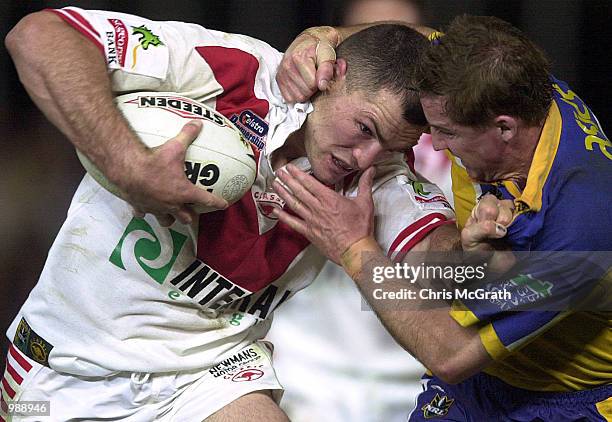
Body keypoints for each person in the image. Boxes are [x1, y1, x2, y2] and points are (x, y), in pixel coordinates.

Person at [2, 7, 457, 421]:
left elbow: (460, 276)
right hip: (68, 371)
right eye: (364, 129)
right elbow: (38, 34)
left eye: (391, 147)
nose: (364, 157)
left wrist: (502, 225)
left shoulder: (380, 176)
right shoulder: (237, 70)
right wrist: (127, 164)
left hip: (211, 372)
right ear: (333, 73)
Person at [273, 14, 612, 421]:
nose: (433, 143)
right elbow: (408, 40)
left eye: (446, 132)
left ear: (503, 128)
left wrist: (354, 248)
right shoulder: (493, 84)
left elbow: (451, 353)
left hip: (564, 402)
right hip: (475, 386)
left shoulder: (578, 223)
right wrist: (320, 37)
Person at [266, 1, 444, 421]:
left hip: (409, 374)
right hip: (306, 371)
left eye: (411, 36)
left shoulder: (457, 150)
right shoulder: (294, 118)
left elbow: (460, 272)